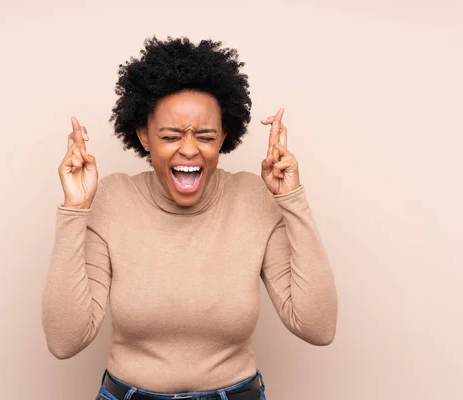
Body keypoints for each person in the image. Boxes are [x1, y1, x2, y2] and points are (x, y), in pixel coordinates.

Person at [41, 37, 338, 400]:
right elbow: (64, 340)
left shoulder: (254, 198)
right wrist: (75, 209)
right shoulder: (111, 199)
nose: (189, 148)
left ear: (224, 137)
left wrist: (292, 198)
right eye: (170, 135)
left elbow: (318, 327)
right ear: (143, 136)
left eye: (205, 135)